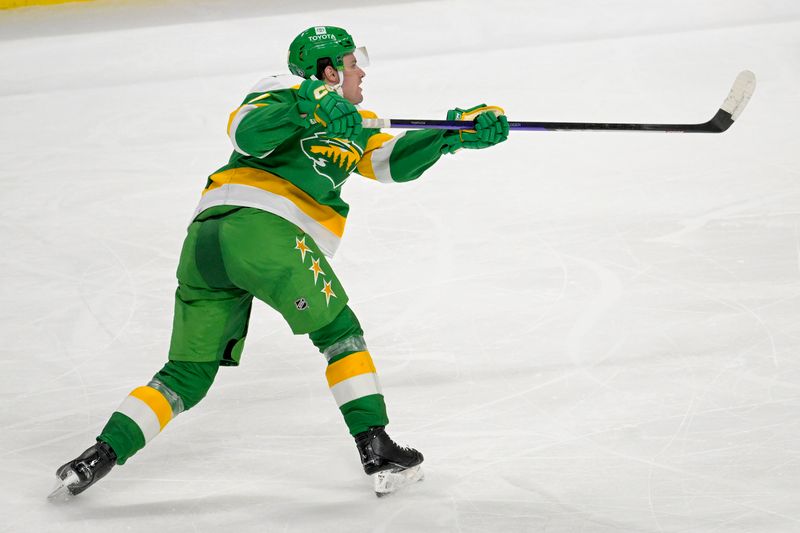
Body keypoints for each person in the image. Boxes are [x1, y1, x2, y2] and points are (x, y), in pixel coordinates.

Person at [50, 25, 509, 499]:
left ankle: (97, 457)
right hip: (264, 233)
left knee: (187, 373)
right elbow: (245, 133)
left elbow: (391, 161)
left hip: (207, 245)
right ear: (328, 71)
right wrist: (307, 101)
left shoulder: (355, 123)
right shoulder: (282, 88)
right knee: (338, 332)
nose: (361, 71)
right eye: (353, 63)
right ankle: (375, 446)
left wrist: (454, 133)